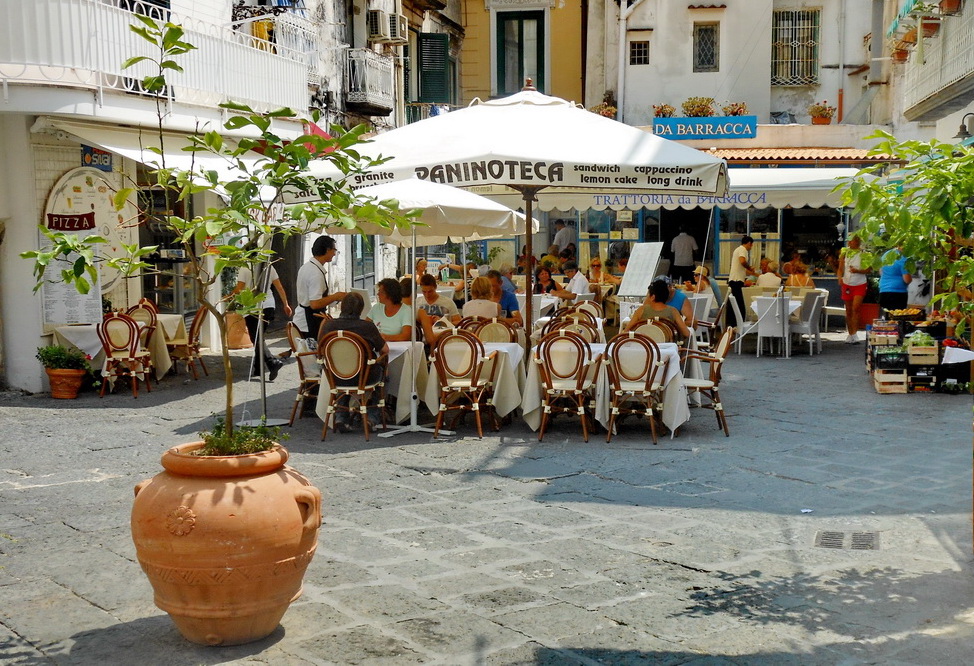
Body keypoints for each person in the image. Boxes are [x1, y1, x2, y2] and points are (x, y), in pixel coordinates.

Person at [318, 292, 388, 433]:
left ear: (342, 307)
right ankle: (371, 418)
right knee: (381, 373)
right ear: (361, 309)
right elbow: (385, 350)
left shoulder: (329, 326)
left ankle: (340, 417)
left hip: (334, 376)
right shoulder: (367, 327)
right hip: (364, 376)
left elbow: (319, 347)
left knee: (344, 377)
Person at [234, 261, 292, 382]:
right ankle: (258, 368)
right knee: (259, 338)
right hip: (269, 305)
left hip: (252, 307)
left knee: (256, 338)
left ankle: (272, 362)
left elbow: (239, 288)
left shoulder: (245, 267)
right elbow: (279, 287)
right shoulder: (269, 266)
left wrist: (229, 298)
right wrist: (285, 304)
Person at [294, 235, 346, 338]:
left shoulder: (307, 267)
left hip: (303, 319)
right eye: (334, 250)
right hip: (309, 322)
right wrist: (335, 296)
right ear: (327, 250)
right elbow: (315, 304)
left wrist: (334, 298)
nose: (335, 253)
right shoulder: (315, 273)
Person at [625, 280, 691, 342]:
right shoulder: (673, 311)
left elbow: (626, 331)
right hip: (667, 349)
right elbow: (687, 333)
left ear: (653, 297)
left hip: (645, 348)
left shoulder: (641, 310)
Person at [838, 236, 869, 344]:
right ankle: (850, 333)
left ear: (857, 242)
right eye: (848, 241)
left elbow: (869, 270)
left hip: (859, 283)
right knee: (848, 309)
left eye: (852, 240)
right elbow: (840, 268)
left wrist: (858, 271)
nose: (849, 242)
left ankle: (855, 333)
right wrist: (839, 278)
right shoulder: (844, 253)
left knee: (856, 308)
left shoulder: (864, 254)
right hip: (847, 283)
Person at [727, 235, 758, 325]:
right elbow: (742, 261)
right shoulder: (742, 250)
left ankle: (733, 322)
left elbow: (742, 269)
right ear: (749, 243)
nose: (751, 247)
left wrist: (754, 273)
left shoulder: (737, 249)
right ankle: (737, 323)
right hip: (737, 280)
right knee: (739, 303)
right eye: (751, 245)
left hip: (735, 279)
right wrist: (750, 267)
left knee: (735, 302)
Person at [879, 246, 912, 311]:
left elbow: (881, 272)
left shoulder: (886, 255)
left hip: (884, 290)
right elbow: (907, 280)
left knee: (885, 317)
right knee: (897, 318)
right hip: (898, 293)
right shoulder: (903, 258)